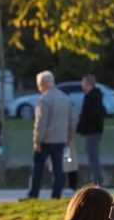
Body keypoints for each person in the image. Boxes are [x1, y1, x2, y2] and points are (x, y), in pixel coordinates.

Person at [24, 71, 76, 200]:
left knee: (38, 169)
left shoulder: (44, 100)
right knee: (58, 169)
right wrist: (69, 136)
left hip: (46, 140)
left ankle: (33, 194)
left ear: (43, 84)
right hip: (61, 138)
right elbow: (71, 119)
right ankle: (56, 194)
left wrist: (37, 140)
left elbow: (41, 122)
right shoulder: (65, 98)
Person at [76, 74, 105, 186]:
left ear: (88, 83)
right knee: (92, 156)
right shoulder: (94, 96)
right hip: (93, 130)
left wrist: (84, 126)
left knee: (93, 156)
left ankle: (98, 180)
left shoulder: (92, 97)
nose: (82, 85)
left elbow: (92, 114)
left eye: (83, 82)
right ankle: (97, 179)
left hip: (92, 131)